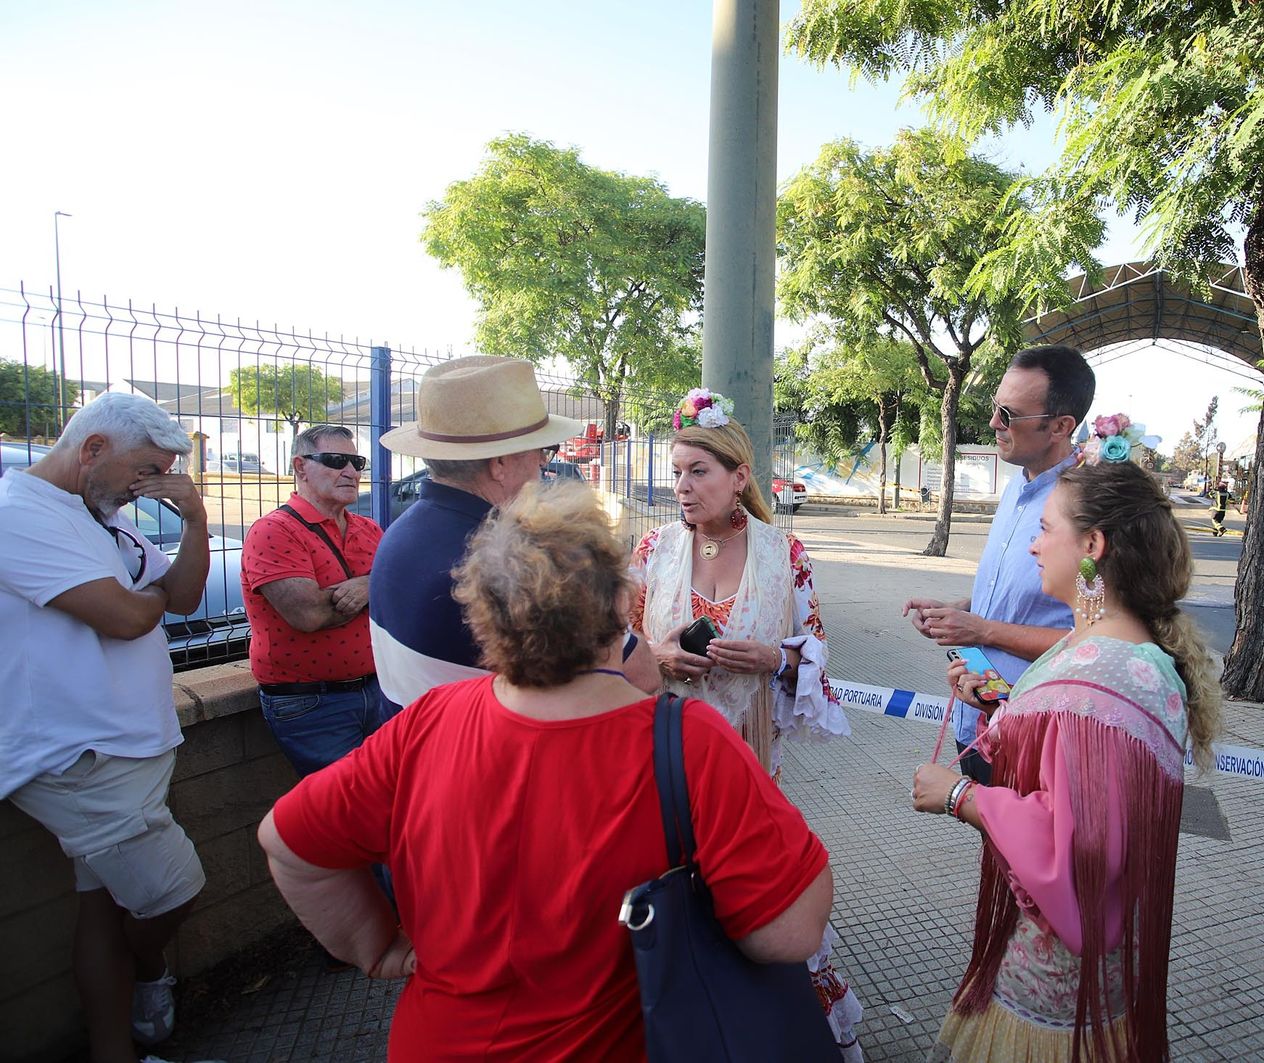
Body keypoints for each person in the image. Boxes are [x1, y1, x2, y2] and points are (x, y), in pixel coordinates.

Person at [257, 484, 835, 1062]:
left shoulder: (429, 719)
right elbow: (787, 934)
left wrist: (374, 944)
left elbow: (288, 843)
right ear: (621, 604)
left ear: (482, 608)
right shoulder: (689, 740)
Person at [911, 451, 1222, 1062]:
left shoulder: (1104, 671)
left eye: (1046, 528)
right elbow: (1067, 754)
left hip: (1056, 975)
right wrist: (999, 703)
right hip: (1090, 956)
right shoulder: (1113, 648)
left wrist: (960, 795)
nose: (1033, 544)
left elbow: (1078, 844)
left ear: (1092, 546)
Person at [629, 388, 862, 1059]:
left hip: (754, 764)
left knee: (750, 895)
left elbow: (816, 652)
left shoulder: (784, 553)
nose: (682, 486)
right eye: (677, 471)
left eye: (698, 471)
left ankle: (771, 1026)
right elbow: (617, 649)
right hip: (663, 762)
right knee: (677, 888)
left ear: (739, 477)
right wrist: (659, 655)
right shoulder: (653, 548)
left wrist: (775, 658)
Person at [0, 393, 213, 1063]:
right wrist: (146, 599)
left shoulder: (100, 516)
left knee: (102, 906)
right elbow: (126, 618)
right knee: (173, 893)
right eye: (145, 470)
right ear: (92, 449)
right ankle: (147, 970)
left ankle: (116, 1049)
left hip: (127, 747)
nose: (148, 487)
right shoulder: (18, 515)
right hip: (80, 757)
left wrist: (196, 520)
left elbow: (181, 597)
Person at [370, 355, 657, 708]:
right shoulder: (515, 558)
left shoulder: (399, 534)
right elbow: (641, 675)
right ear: (500, 464)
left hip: (416, 737)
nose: (543, 463)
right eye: (542, 451)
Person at [904, 344, 1095, 785]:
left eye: (1009, 415)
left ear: (1061, 426)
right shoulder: (1016, 487)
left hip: (1034, 736)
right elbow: (1021, 596)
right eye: (995, 407)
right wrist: (959, 611)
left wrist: (983, 630)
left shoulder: (1088, 508)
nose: (993, 423)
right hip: (977, 720)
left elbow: (1095, 641)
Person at [241, 424, 387, 777]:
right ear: (300, 466)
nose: (351, 472)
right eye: (336, 460)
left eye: (357, 462)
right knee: (352, 802)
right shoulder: (274, 530)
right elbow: (310, 615)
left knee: (395, 794)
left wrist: (368, 585)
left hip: (378, 689)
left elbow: (403, 591)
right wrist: (378, 587)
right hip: (313, 702)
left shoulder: (368, 529)